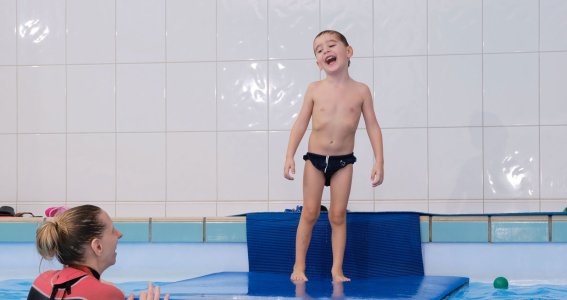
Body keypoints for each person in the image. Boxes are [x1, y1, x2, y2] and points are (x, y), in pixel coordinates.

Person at [284, 30, 384, 282]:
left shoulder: (361, 91)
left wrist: (378, 160)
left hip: (343, 162)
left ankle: (337, 270)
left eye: (331, 45)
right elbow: (300, 124)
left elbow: (373, 125)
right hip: (315, 160)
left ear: (348, 52)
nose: (325, 51)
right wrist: (289, 156)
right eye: (319, 50)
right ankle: (299, 267)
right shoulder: (314, 89)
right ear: (318, 63)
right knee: (309, 212)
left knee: (338, 215)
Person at [27, 204, 169, 300]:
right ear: (98, 247)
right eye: (112, 230)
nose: (119, 234)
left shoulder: (41, 281)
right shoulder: (107, 294)